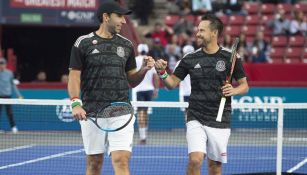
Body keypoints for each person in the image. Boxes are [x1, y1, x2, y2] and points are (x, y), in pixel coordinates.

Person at [67, 1, 155, 175]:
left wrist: (143, 70)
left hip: (121, 110)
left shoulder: (127, 45)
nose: (124, 21)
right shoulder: (82, 43)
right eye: (120, 16)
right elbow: (74, 75)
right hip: (92, 112)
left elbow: (132, 81)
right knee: (94, 163)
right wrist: (76, 102)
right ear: (106, 17)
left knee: (121, 160)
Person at [154, 13, 249, 175]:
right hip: (195, 115)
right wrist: (162, 73)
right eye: (198, 30)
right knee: (195, 160)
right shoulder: (190, 58)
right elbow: (171, 84)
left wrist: (234, 90)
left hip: (220, 118)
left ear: (214, 33)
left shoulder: (230, 58)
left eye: (202, 30)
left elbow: (244, 86)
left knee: (215, 166)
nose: (197, 33)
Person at [132, 43, 159, 145]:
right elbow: (156, 77)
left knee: (141, 114)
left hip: (138, 89)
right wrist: (156, 90)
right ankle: (144, 136)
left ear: (138, 51)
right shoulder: (150, 61)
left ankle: (143, 137)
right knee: (145, 113)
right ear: (147, 51)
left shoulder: (134, 60)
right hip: (149, 90)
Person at [0, 57, 23, 133]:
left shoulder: (9, 73)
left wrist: (18, 95)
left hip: (7, 96)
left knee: (9, 113)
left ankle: (13, 127)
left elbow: (13, 85)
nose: (1, 65)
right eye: (0, 64)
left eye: (2, 64)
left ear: (5, 64)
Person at [177, 45, 195, 121]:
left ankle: (190, 131)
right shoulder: (199, 62)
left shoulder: (179, 63)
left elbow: (175, 79)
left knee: (187, 114)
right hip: (195, 93)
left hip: (185, 93)